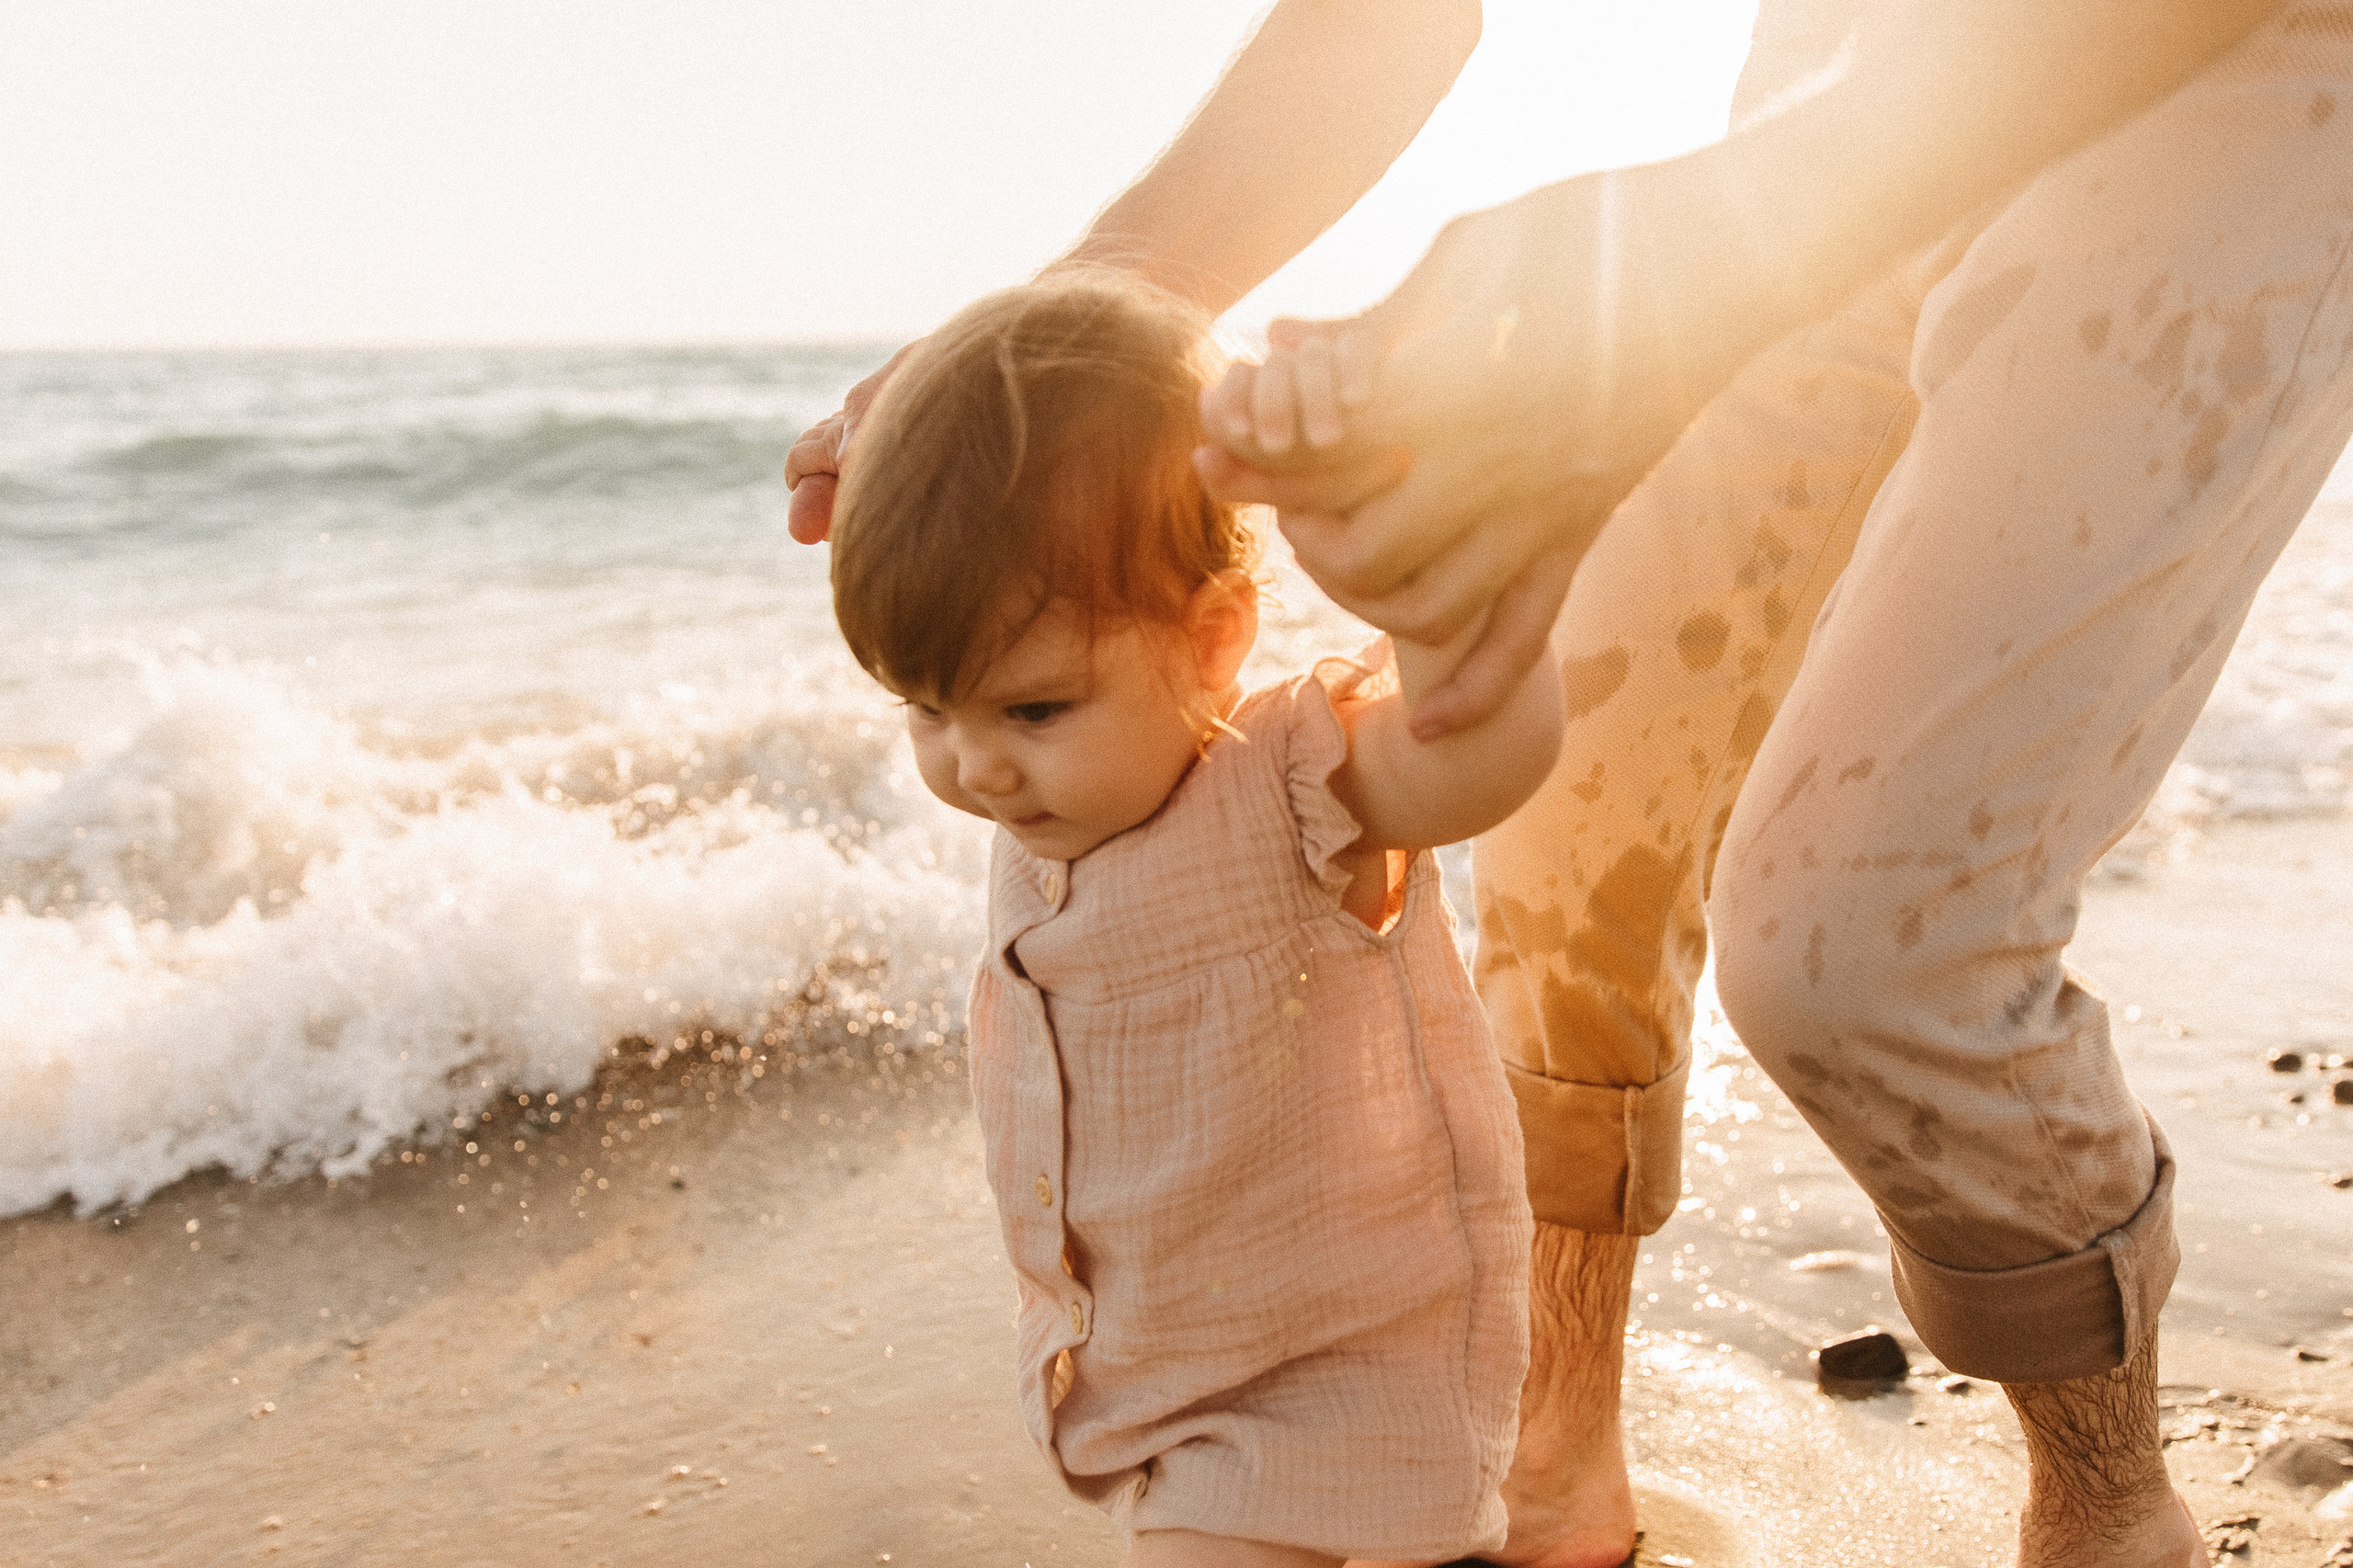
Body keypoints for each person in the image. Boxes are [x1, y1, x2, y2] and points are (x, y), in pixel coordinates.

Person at [791, 4, 2353, 1563]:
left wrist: (1448, 609)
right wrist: (1081, 318)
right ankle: (1552, 1456)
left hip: (2213, 61)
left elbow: (1454, 735)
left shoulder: (1276, 772)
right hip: (1847, 68)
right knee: (1583, 822)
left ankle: (2105, 1506)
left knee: (1857, 935)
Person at [825, 274, 1563, 1566]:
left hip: (1332, 1382)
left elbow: (1481, 758)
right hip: (1169, 1383)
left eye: (1034, 710)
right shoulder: (1053, 815)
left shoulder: (1286, 783)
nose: (978, 770)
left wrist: (1431, 558)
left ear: (1217, 638)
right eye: (927, 711)